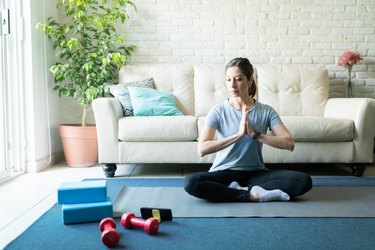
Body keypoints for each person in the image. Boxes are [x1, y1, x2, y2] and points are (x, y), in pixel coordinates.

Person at [184, 57, 312, 202]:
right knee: (191, 182)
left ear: (250, 80)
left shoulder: (266, 111)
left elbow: (289, 144)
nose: (232, 85)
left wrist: (255, 135)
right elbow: (202, 149)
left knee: (302, 180)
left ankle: (239, 191)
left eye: (238, 79)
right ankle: (251, 195)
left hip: (256, 174)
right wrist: (237, 135)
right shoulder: (218, 111)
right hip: (224, 172)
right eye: (228, 79)